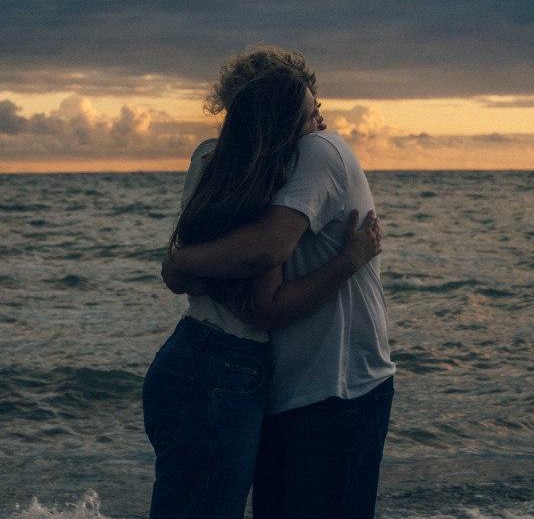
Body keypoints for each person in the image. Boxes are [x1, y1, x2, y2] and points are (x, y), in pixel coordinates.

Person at [143, 62, 381, 519]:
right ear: (277, 120)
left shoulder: (216, 162)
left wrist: (182, 265)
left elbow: (199, 269)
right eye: (310, 114)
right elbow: (264, 302)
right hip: (222, 367)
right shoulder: (255, 183)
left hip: (192, 356)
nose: (321, 124)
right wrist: (349, 261)